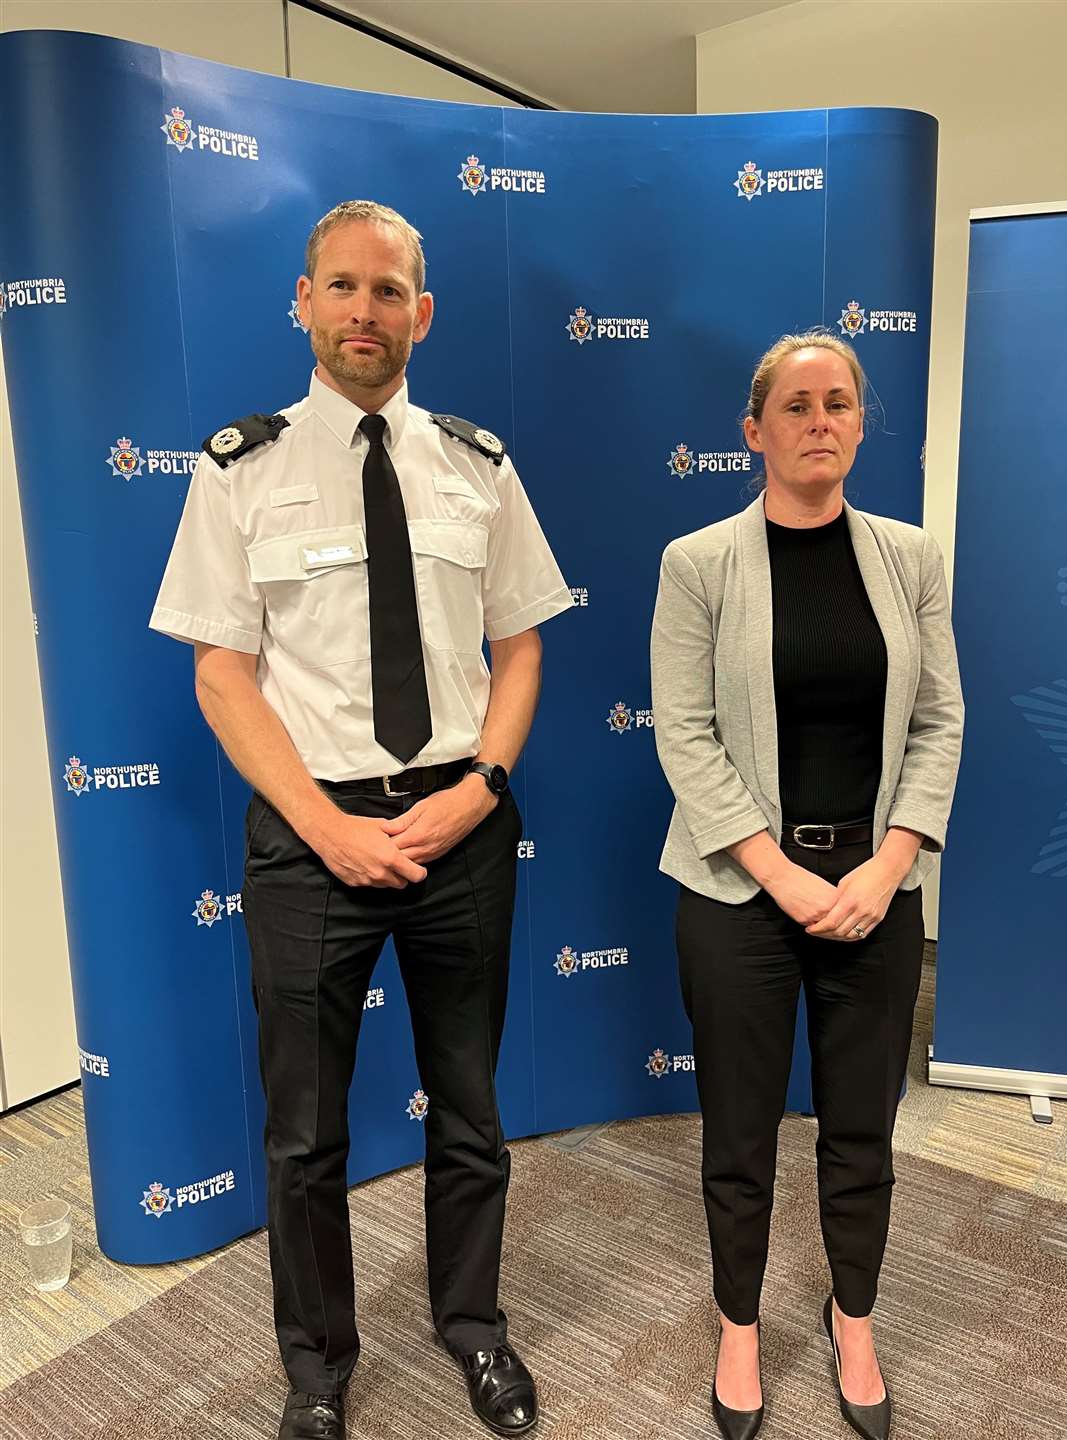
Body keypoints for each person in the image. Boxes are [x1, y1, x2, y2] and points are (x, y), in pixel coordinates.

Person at [150, 200, 572, 1440]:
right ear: (303, 302)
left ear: (421, 313)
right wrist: (326, 828)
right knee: (304, 1134)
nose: (364, 312)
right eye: (341, 288)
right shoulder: (240, 468)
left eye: (388, 292)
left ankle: (474, 1330)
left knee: (470, 1109)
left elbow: (522, 648)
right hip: (308, 837)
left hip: (461, 826)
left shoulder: (479, 465)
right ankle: (318, 1368)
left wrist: (481, 787)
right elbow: (222, 675)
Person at [650, 331, 964, 1440]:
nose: (819, 419)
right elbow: (685, 740)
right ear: (756, 431)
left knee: (861, 1132)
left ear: (861, 424)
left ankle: (855, 1314)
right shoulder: (698, 564)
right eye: (796, 405)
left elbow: (940, 720)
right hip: (743, 895)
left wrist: (888, 866)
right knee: (739, 1131)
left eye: (839, 402)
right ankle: (739, 1325)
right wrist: (783, 874)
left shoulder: (912, 559)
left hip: (876, 895)